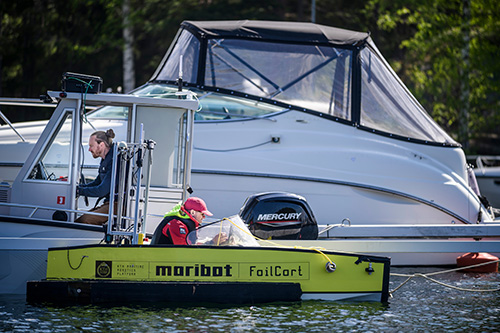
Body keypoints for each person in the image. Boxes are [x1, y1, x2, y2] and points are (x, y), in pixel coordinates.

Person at [75, 129, 116, 225]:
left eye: (91, 146)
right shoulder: (105, 160)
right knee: (78, 220)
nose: (89, 149)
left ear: (101, 145)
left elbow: (101, 190)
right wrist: (78, 188)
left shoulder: (114, 161)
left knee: (83, 221)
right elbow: (97, 182)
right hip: (109, 203)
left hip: (116, 205)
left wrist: (79, 191)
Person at [152, 197, 219, 245]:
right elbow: (184, 249)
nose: (204, 217)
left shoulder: (186, 223)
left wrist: (213, 241)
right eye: (202, 214)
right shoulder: (176, 224)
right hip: (161, 260)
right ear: (192, 212)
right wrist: (212, 242)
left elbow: (191, 245)